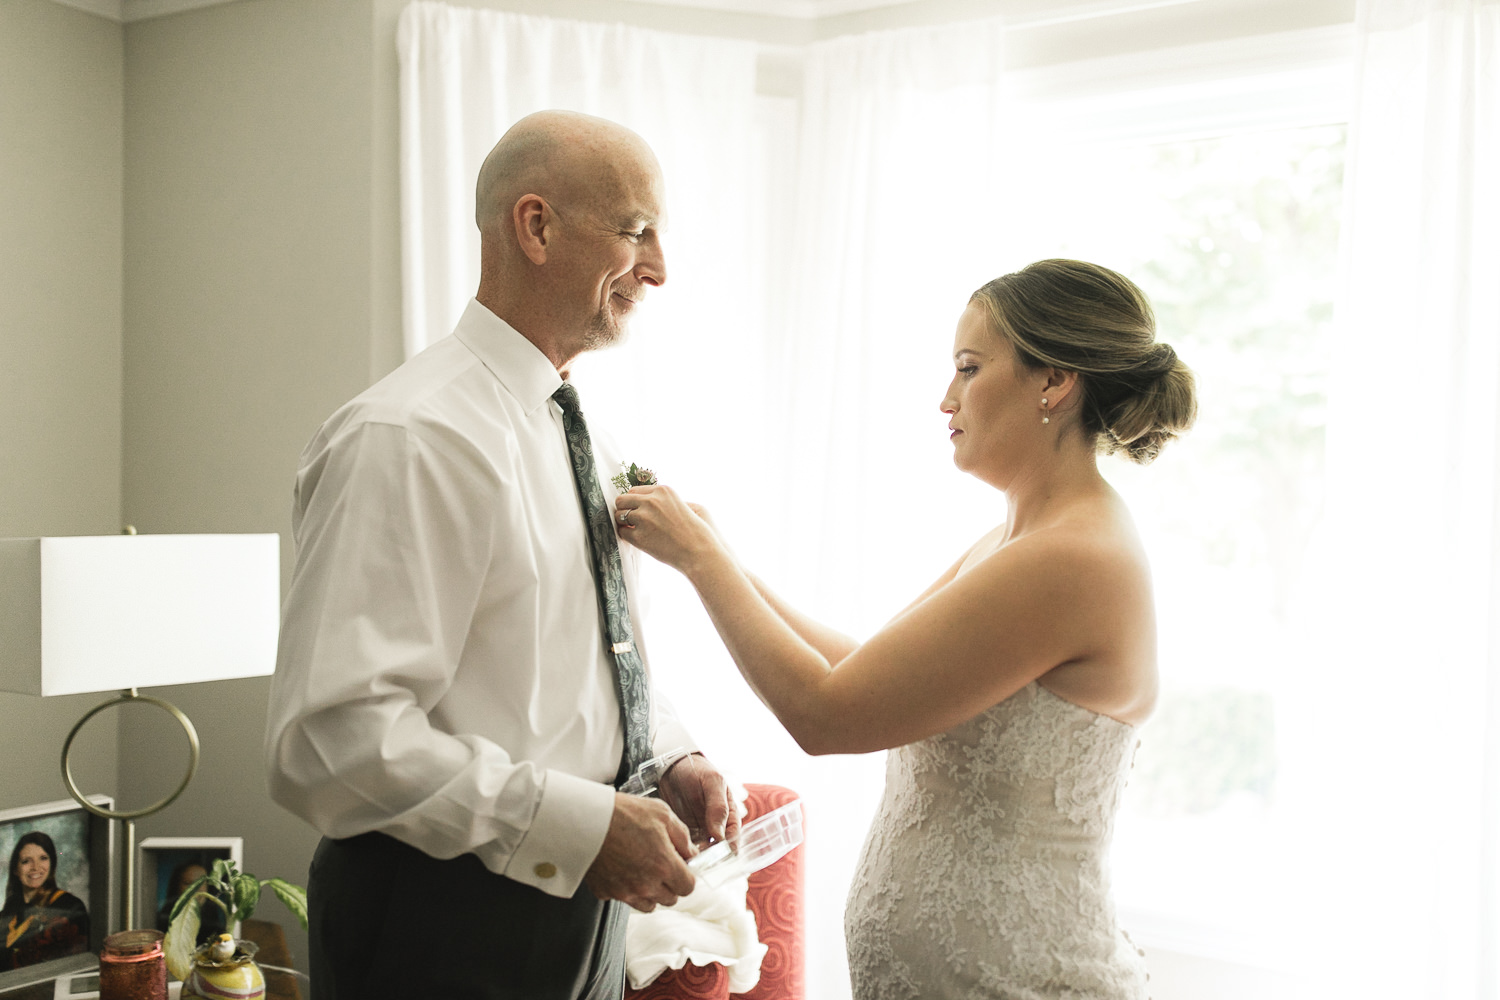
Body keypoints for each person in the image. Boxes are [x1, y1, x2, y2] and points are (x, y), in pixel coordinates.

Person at [615, 259, 1197, 999]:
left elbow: (829, 713)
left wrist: (703, 564)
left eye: (969, 368)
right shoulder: (1022, 536)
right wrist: (723, 556)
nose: (946, 397)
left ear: (1053, 381)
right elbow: (865, 668)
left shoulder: (1074, 557)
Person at [264, 110, 737, 1000]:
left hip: (577, 907)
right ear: (536, 226)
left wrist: (671, 755)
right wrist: (575, 826)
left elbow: (572, 653)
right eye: (637, 231)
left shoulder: (573, 428)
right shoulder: (407, 437)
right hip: (440, 927)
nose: (661, 269)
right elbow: (331, 739)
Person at [1, 832, 90, 970]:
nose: (35, 867)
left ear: (52, 863)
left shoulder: (70, 906)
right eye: (26, 861)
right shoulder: (7, 915)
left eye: (43, 858)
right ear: (15, 870)